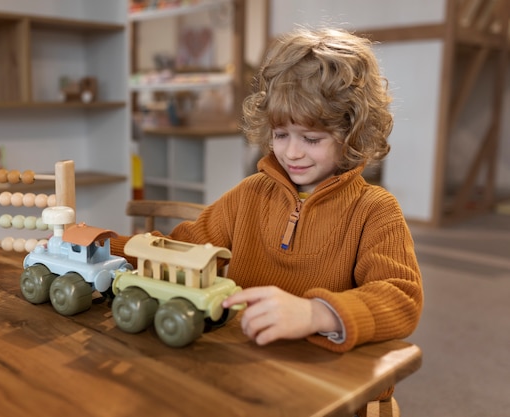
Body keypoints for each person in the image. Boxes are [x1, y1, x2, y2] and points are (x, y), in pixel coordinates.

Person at [112, 26, 422, 366]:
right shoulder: (248, 194)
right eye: (281, 134)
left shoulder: (375, 210)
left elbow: (401, 298)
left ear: (352, 132)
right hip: (244, 362)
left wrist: (317, 313)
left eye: (311, 139)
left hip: (320, 371)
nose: (291, 152)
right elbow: (180, 249)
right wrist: (102, 246)